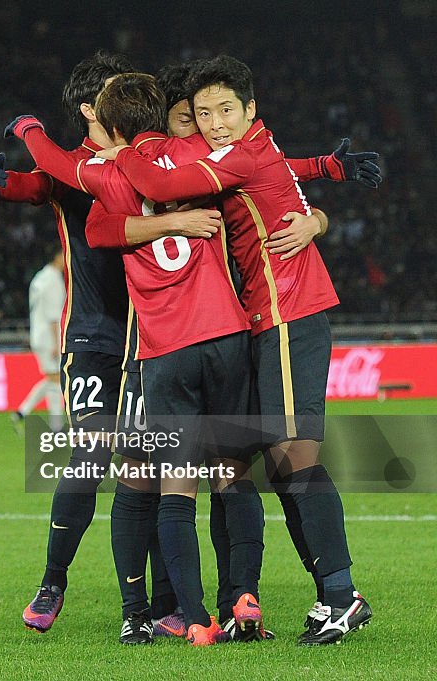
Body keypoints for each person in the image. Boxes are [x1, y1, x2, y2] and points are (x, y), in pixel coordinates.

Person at [99, 55, 373, 645]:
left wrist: (117, 147)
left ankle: (341, 594)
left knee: (295, 459)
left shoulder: (240, 153)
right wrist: (323, 185)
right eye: (203, 115)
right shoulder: (244, 151)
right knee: (278, 464)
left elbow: (162, 184)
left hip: (287, 312)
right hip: (262, 320)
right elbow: (284, 172)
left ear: (250, 111)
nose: (215, 122)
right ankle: (327, 595)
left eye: (226, 110)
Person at [0, 50, 221, 642]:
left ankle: (153, 605)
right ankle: (53, 580)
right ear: (91, 107)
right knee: (87, 458)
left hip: (154, 333)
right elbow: (37, 185)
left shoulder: (150, 158)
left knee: (154, 467)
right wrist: (1, 183)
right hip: (91, 335)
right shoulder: (71, 169)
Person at [10, 251, 66, 434]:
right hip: (49, 337)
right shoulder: (53, 281)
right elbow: (53, 315)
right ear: (58, 256)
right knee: (56, 380)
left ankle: (26, 414)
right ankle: (28, 414)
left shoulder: (39, 278)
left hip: (38, 334)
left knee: (52, 379)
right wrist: (57, 343)